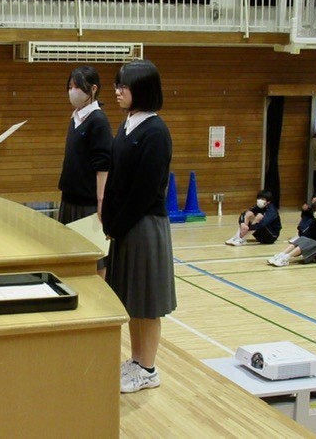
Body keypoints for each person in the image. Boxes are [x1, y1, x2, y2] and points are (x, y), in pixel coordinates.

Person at [101, 59, 176, 393]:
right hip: (124, 225)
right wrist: (109, 219)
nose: (117, 91)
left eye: (124, 86)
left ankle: (148, 368)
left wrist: (117, 224)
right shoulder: (127, 124)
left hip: (144, 224)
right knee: (131, 300)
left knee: (146, 302)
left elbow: (145, 191)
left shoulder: (156, 132)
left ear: (142, 89)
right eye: (117, 85)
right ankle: (136, 360)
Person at [57, 66, 112, 278]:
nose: (72, 91)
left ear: (93, 89)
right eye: (70, 87)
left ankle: (99, 294)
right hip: (69, 198)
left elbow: (103, 166)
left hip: (88, 203)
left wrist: (101, 202)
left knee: (94, 258)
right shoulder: (75, 118)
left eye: (78, 87)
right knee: (69, 254)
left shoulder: (98, 121)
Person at [267, 200, 316, 267]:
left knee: (308, 242)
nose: (315, 213)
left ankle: (286, 258)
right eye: (314, 211)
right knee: (303, 239)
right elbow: (308, 236)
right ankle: (282, 254)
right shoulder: (315, 222)